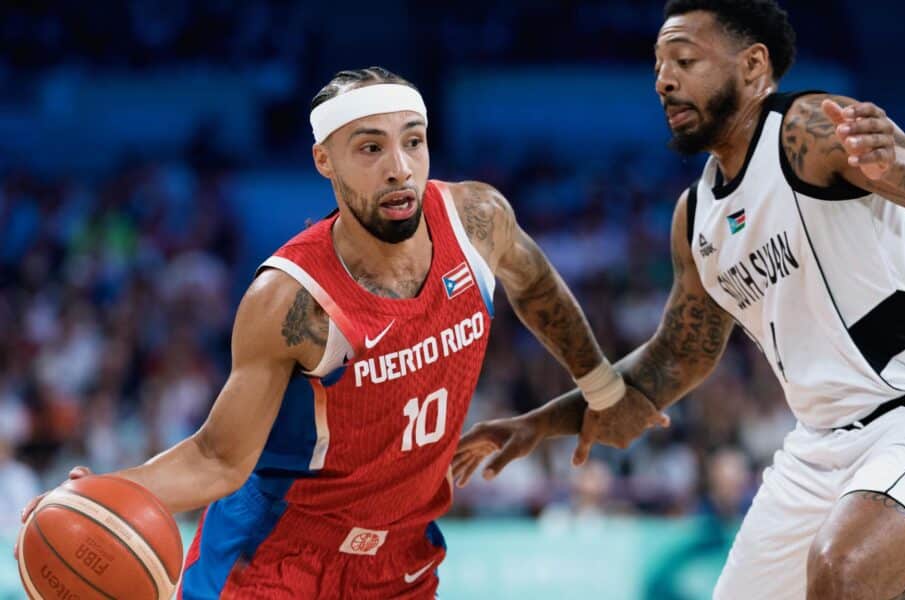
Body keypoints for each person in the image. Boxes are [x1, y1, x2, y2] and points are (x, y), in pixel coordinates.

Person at [17, 66, 667, 599]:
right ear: (324, 160)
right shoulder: (291, 299)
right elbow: (219, 457)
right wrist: (108, 492)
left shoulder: (476, 220)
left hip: (400, 560)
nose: (400, 167)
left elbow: (538, 288)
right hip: (275, 562)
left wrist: (603, 389)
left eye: (414, 141)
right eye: (370, 147)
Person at [453, 1, 905, 598]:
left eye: (685, 60)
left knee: (847, 571)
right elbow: (674, 361)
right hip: (818, 450)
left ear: (753, 65)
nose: (664, 79)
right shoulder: (697, 219)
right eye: (659, 65)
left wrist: (901, 167)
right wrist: (544, 422)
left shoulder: (809, 130)